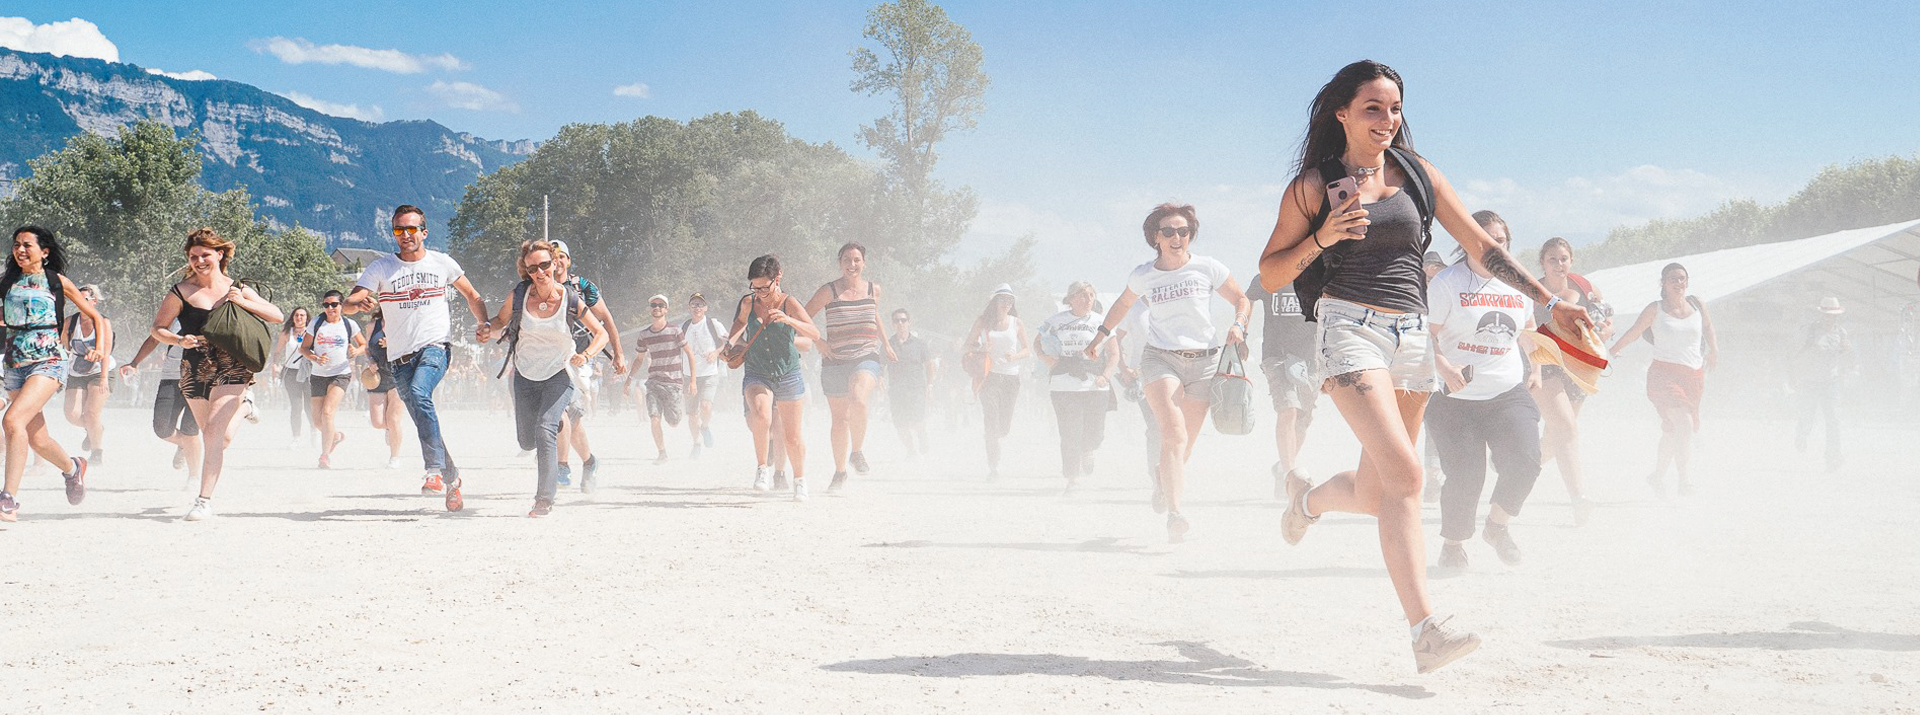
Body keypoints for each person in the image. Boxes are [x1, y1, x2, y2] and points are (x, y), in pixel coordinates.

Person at [1254, 61, 1589, 673]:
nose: (1388, 120)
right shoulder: (1313, 186)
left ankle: (1305, 502)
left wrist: (1550, 302)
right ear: (1342, 113)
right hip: (1347, 328)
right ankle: (1425, 630)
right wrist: (1324, 237)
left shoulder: (1417, 172)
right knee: (1409, 477)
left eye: (1395, 108)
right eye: (1373, 108)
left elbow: (1484, 248)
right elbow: (1272, 272)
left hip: (1410, 334)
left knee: (1376, 487)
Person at [1084, 204, 1250, 542]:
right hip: (1161, 359)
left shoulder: (1208, 267)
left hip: (1205, 362)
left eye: (1184, 231)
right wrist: (1100, 338)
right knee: (1172, 434)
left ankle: (1163, 481)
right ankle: (1176, 513)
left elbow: (1241, 300)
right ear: (1155, 238)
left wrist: (1238, 325)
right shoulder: (1144, 274)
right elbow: (1122, 305)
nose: (1177, 237)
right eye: (1169, 231)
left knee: (1183, 442)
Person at [343, 204, 489, 511]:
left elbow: (472, 295)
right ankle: (452, 479)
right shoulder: (382, 267)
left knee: (422, 394)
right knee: (423, 417)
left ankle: (433, 470)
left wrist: (483, 324)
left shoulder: (442, 263)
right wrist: (355, 303)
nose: (406, 235)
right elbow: (351, 300)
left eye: (412, 229)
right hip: (398, 359)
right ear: (394, 233)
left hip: (435, 347)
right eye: (399, 230)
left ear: (424, 232)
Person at [1425, 210, 1542, 570]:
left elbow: (1529, 329)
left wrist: (1536, 366)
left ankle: (1496, 527)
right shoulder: (1446, 283)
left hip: (1506, 391)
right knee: (1465, 477)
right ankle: (1454, 544)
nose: (1494, 246)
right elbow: (1422, 336)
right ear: (1466, 242)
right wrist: (1443, 366)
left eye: (1501, 240)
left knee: (1527, 460)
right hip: (1454, 398)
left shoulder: (1518, 284)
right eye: (1486, 239)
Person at [150, 228, 283, 521]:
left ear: (219, 255)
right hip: (194, 365)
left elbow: (276, 315)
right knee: (218, 440)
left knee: (211, 432)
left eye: (205, 255)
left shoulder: (236, 287)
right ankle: (245, 407)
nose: (199, 261)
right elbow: (157, 328)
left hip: (232, 364)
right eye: (194, 256)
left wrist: (241, 301)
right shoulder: (181, 291)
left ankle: (203, 500)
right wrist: (177, 340)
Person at [477, 240, 608, 517]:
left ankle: (544, 499)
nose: (540, 272)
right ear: (526, 271)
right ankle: (550, 444)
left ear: (556, 262)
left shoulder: (571, 299)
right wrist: (487, 328)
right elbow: (499, 321)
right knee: (527, 441)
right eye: (533, 267)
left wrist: (584, 356)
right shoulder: (520, 295)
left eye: (545, 265)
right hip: (524, 375)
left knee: (545, 428)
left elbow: (601, 333)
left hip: (559, 374)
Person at [0, 226, 108, 522]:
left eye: (27, 245)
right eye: (16, 245)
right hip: (15, 363)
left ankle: (8, 498)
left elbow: (95, 316)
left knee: (11, 420)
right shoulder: (7, 282)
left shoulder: (56, 281)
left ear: (44, 251)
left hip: (48, 360)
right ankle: (74, 468)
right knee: (37, 439)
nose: (20, 250)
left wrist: (99, 348)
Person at [1612, 263, 1716, 497]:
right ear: (1663, 283)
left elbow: (1708, 328)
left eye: (1682, 278)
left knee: (1673, 430)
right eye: (1673, 279)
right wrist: (1613, 350)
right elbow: (1635, 331)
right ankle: (1684, 481)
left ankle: (1657, 476)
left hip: (1694, 376)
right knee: (1685, 424)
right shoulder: (1655, 309)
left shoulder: (1698, 304)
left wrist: (1714, 351)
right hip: (1663, 375)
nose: (1678, 283)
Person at [726, 254, 821, 501]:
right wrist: (729, 343)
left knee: (792, 436)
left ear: (777, 279)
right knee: (760, 414)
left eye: (763, 287)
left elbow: (814, 333)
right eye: (754, 286)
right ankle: (762, 468)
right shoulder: (748, 302)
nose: (759, 292)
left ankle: (799, 479)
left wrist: (789, 319)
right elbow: (738, 323)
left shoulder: (789, 303)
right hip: (757, 370)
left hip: (788, 372)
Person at [804, 243, 896, 491]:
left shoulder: (873, 289)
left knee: (859, 400)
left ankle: (856, 452)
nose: (852, 265)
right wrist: (818, 342)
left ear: (864, 262)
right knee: (839, 421)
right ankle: (840, 471)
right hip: (834, 360)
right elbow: (802, 316)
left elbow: (875, 315)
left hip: (866, 354)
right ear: (840, 263)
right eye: (847, 260)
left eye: (856, 260)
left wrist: (886, 345)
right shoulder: (829, 291)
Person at [1531, 236, 1608, 524]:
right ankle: (1579, 499)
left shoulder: (1585, 287)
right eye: (1552, 259)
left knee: (1555, 439)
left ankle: (1517, 471)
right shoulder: (1533, 290)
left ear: (1571, 261)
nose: (1559, 264)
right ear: (1543, 262)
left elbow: (1605, 316)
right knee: (1566, 427)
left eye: (1563, 258)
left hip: (1578, 367)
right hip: (1543, 364)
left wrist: (1605, 328)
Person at [549, 240, 624, 489]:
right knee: (569, 418)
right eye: (551, 256)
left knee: (564, 414)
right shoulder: (538, 287)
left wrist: (618, 354)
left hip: (579, 360)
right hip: (549, 360)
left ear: (568, 261)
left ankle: (563, 466)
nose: (556, 261)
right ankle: (588, 462)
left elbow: (607, 320)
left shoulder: (582, 287)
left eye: (561, 256)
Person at [1036, 281, 1116, 491]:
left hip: (1094, 383)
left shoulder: (1102, 322)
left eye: (1091, 294)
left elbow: (1114, 354)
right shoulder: (1055, 321)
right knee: (1070, 433)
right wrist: (1045, 359)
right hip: (1064, 383)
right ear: (1070, 298)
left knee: (1095, 434)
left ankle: (1087, 450)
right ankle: (1072, 478)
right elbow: (1037, 341)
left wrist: (1106, 376)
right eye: (1082, 295)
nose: (1087, 299)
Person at [1245, 273, 1318, 499]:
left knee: (1303, 419)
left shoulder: (1321, 275)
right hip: (1276, 355)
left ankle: (1282, 467)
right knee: (1288, 410)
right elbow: (1247, 299)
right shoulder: (1270, 275)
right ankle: (1290, 475)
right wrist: (1241, 331)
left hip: (1310, 359)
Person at [120, 323, 201, 487]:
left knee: (190, 429)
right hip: (171, 377)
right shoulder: (174, 311)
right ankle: (183, 445)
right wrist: (135, 363)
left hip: (201, 378)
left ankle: (194, 477)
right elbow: (154, 338)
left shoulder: (210, 307)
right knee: (162, 428)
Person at [964, 285, 1029, 479]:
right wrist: (981, 348)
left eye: (1010, 301)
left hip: (1011, 378)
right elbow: (966, 345)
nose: (1007, 304)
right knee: (991, 422)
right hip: (989, 376)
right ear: (994, 301)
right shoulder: (983, 322)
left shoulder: (1016, 323)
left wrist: (1015, 356)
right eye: (1003, 300)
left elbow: (1027, 350)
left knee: (1004, 427)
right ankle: (993, 466)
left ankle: (993, 440)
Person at [300, 290, 365, 469]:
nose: (330, 308)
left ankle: (324, 455)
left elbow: (363, 345)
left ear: (341, 306)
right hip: (319, 374)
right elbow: (303, 348)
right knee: (317, 421)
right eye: (326, 305)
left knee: (327, 413)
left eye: (334, 304)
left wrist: (356, 352)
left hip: (340, 373)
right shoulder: (316, 323)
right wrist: (315, 358)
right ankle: (335, 436)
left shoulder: (349, 324)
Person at [630, 294, 695, 464]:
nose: (656, 307)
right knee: (654, 418)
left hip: (673, 383)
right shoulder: (644, 335)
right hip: (653, 382)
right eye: (653, 305)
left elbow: (689, 354)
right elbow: (639, 359)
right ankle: (662, 453)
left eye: (660, 305)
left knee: (674, 422)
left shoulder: (675, 331)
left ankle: (675, 410)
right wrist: (629, 379)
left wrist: (693, 380)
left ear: (666, 309)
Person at [1792, 297, 1852, 471]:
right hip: (1810, 382)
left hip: (1830, 383)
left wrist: (1846, 371)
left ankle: (1833, 458)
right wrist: (1796, 375)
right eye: (1827, 315)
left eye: (1834, 316)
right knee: (1807, 417)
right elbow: (1795, 353)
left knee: (1833, 420)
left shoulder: (1841, 333)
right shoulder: (1809, 332)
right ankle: (1801, 435)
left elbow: (1846, 354)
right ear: (1821, 315)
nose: (1830, 319)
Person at [61, 284, 112, 465]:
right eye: (77, 298)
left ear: (94, 302)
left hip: (100, 370)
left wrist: (104, 377)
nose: (79, 302)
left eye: (85, 299)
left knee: (91, 413)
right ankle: (96, 429)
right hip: (76, 370)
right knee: (71, 414)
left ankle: (97, 452)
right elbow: (64, 349)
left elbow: (106, 352)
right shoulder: (70, 322)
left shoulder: (103, 322)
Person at [359, 306, 406, 469]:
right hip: (377, 375)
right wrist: (370, 361)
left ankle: (395, 457)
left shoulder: (404, 323)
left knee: (393, 419)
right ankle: (390, 430)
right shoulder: (373, 325)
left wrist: (391, 345)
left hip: (399, 373)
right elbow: (366, 349)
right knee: (378, 422)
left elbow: (413, 349)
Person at [681, 292, 727, 457]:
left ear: (706, 308)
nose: (697, 307)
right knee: (692, 413)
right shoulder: (684, 327)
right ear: (689, 307)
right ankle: (696, 443)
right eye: (694, 304)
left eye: (700, 304)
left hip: (709, 373)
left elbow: (727, 342)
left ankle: (705, 426)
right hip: (688, 375)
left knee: (706, 406)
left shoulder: (713, 324)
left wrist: (716, 352)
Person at [886, 308, 936, 457]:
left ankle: (922, 435)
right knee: (900, 424)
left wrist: (930, 385)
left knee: (917, 420)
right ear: (892, 324)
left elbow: (929, 365)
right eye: (897, 320)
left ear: (909, 322)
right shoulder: (888, 344)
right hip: (896, 390)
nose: (900, 323)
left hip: (916, 389)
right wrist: (880, 380)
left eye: (903, 320)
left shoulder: (920, 344)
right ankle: (910, 451)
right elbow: (880, 364)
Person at [269, 306, 313, 447]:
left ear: (307, 318)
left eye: (302, 315)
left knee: (309, 406)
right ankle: (296, 437)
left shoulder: (312, 332)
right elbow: (277, 352)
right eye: (297, 315)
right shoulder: (287, 332)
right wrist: (275, 364)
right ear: (293, 318)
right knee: (296, 406)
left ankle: (315, 432)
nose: (299, 318)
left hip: (308, 373)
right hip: (291, 373)